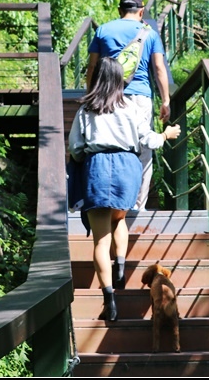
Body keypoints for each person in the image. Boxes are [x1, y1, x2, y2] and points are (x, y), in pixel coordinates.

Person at [69, 57, 181, 321]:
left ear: (97, 78)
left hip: (97, 166)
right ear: (120, 80)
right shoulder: (130, 107)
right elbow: (147, 138)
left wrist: (83, 158)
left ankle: (109, 299)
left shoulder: (86, 109)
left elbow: (75, 149)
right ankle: (120, 266)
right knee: (119, 218)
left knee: (100, 239)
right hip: (126, 168)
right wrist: (165, 135)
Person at [85, 0, 172, 212]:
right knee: (143, 150)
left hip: (108, 95)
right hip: (140, 96)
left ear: (119, 10)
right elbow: (159, 68)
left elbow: (92, 67)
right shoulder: (149, 33)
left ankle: (112, 202)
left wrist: (90, 94)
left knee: (110, 145)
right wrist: (165, 100)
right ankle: (136, 206)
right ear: (141, 11)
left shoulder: (103, 30)